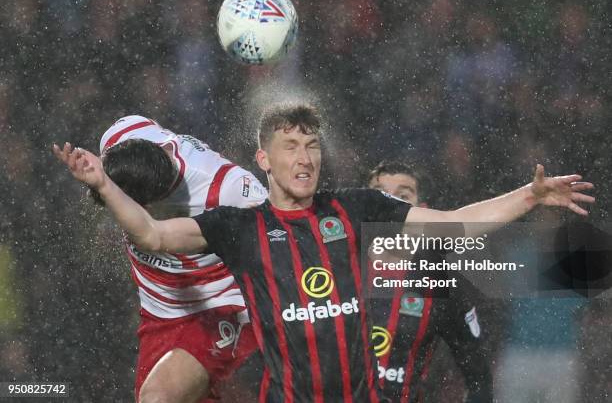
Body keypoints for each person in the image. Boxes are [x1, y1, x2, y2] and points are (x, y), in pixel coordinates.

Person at [53, 103, 594, 402]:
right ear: (264, 159)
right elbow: (151, 235)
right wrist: (102, 184)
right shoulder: (241, 226)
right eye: (291, 147)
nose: (305, 158)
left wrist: (530, 195)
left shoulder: (353, 211)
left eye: (312, 146)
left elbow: (451, 225)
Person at [92, 115, 267, 403]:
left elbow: (281, 242)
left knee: (158, 398)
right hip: (160, 312)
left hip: (223, 305)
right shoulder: (122, 136)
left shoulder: (230, 188)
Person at [367, 160, 492, 402]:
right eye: (380, 195)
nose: (391, 204)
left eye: (402, 196)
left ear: (420, 211)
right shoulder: (335, 264)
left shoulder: (439, 283)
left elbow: (479, 377)